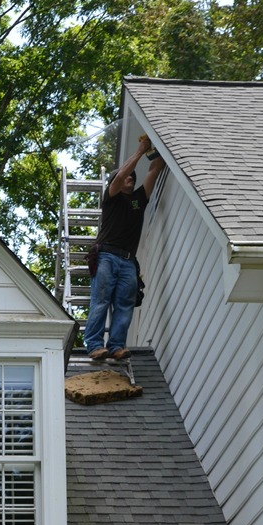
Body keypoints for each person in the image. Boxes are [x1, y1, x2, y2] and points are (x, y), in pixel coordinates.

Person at [84, 134, 165, 360]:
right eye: (126, 176)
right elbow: (119, 178)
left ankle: (116, 345)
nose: (130, 178)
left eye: (132, 176)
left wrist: (156, 144)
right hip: (107, 256)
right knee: (101, 301)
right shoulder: (112, 197)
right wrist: (140, 150)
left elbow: (154, 169)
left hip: (128, 261)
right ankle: (94, 345)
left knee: (124, 304)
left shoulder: (138, 201)